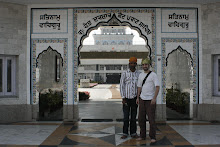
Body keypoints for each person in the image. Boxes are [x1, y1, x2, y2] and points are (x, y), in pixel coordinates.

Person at [136, 58, 160, 143]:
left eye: (146, 64)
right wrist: (138, 97)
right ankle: (142, 135)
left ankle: (152, 136)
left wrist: (154, 98)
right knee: (141, 118)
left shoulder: (153, 75)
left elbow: (157, 87)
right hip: (142, 99)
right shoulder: (141, 75)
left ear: (149, 65)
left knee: (151, 119)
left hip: (150, 100)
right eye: (143, 65)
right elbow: (139, 87)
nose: (144, 66)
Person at [120, 57, 140, 139]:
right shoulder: (124, 73)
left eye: (134, 63)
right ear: (129, 64)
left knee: (133, 117)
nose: (132, 64)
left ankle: (133, 133)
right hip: (127, 99)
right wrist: (123, 97)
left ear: (136, 64)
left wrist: (139, 97)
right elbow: (121, 85)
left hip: (135, 99)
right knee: (126, 117)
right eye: (131, 63)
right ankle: (125, 133)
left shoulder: (139, 74)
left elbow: (139, 86)